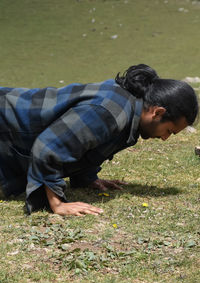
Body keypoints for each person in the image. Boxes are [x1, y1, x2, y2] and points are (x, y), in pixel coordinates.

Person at [0, 64, 198, 216]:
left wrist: (87, 178)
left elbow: (85, 143)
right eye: (169, 131)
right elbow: (49, 147)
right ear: (157, 112)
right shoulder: (109, 111)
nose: (164, 138)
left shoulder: (128, 106)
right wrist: (57, 204)